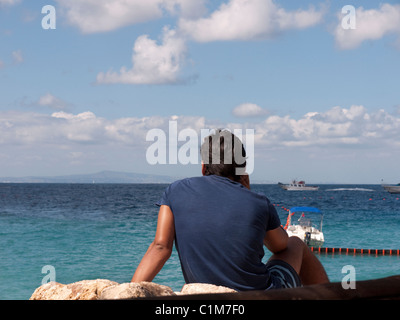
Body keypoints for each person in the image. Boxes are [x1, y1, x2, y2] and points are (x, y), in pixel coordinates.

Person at [131, 129, 329, 290]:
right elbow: (280, 246)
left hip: (204, 293)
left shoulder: (175, 191)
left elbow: (160, 247)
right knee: (296, 244)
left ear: (203, 167)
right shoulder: (259, 202)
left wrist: (130, 290)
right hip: (262, 295)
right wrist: (248, 196)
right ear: (242, 169)